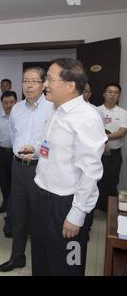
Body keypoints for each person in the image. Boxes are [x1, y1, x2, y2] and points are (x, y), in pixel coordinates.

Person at [33, 58, 107, 275]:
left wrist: (77, 213)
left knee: (68, 266)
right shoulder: (57, 111)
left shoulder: (86, 117)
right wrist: (37, 151)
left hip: (66, 205)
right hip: (43, 199)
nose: (44, 84)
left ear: (70, 85)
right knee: (42, 260)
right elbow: (57, 150)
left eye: (49, 79)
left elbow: (91, 171)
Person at [0, 67, 54, 272]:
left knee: (39, 219)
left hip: (40, 168)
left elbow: (55, 141)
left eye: (34, 81)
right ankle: (17, 257)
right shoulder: (17, 108)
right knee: (18, 215)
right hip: (18, 166)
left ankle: (40, 265)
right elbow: (14, 135)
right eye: (25, 81)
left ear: (43, 84)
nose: (29, 86)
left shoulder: (52, 108)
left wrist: (37, 150)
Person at [96, 83, 127, 212]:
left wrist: (104, 139)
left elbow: (122, 132)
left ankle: (110, 211)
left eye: (115, 92)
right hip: (97, 153)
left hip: (115, 154)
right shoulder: (96, 111)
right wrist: (102, 144)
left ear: (119, 96)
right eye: (109, 92)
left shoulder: (123, 113)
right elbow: (91, 132)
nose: (112, 95)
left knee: (112, 182)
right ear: (104, 94)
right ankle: (96, 207)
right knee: (97, 181)